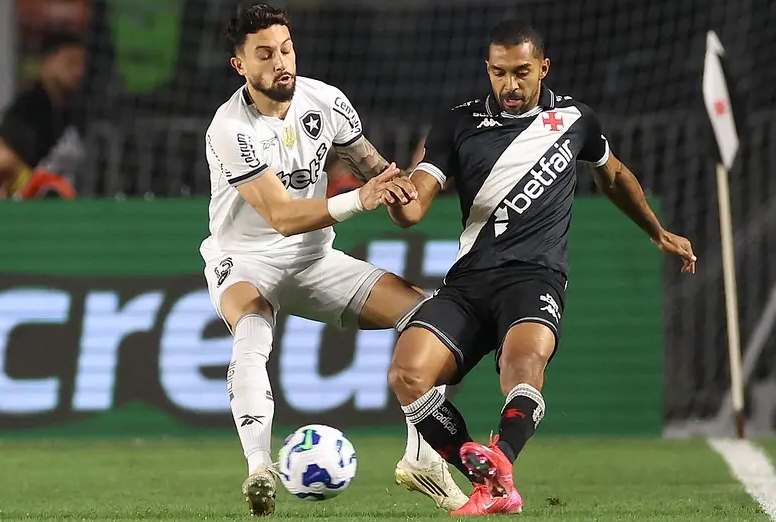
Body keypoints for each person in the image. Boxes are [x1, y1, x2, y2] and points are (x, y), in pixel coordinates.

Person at [383, 19, 697, 516]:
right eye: (500, 73)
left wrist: (656, 231)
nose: (511, 85)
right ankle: (488, 479)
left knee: (522, 364)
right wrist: (399, 202)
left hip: (535, 277)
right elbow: (415, 206)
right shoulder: (457, 124)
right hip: (469, 281)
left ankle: (502, 461)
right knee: (406, 374)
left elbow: (613, 177)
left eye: (522, 72)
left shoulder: (576, 119)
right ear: (487, 70)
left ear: (543, 69)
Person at [200, 3, 467, 516]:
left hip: (314, 260)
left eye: (286, 48)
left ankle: (422, 459)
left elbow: (388, 187)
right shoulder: (229, 128)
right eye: (264, 54)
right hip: (247, 259)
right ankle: (260, 470)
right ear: (240, 66)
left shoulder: (328, 102)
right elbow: (281, 215)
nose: (281, 61)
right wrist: (358, 200)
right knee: (252, 332)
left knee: (440, 322)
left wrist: (427, 169)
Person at [0, 31, 86, 199]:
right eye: (71, 63)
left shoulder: (76, 109)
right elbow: (5, 159)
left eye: (81, 64)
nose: (79, 71)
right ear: (47, 62)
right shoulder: (27, 108)